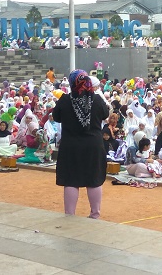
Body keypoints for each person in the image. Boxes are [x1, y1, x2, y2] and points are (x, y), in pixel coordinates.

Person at [52, 70, 110, 219]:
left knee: (71, 180)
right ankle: (95, 214)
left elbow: (56, 117)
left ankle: (70, 215)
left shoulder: (65, 100)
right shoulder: (97, 99)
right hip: (93, 145)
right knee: (94, 180)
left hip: (71, 146)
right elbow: (105, 114)